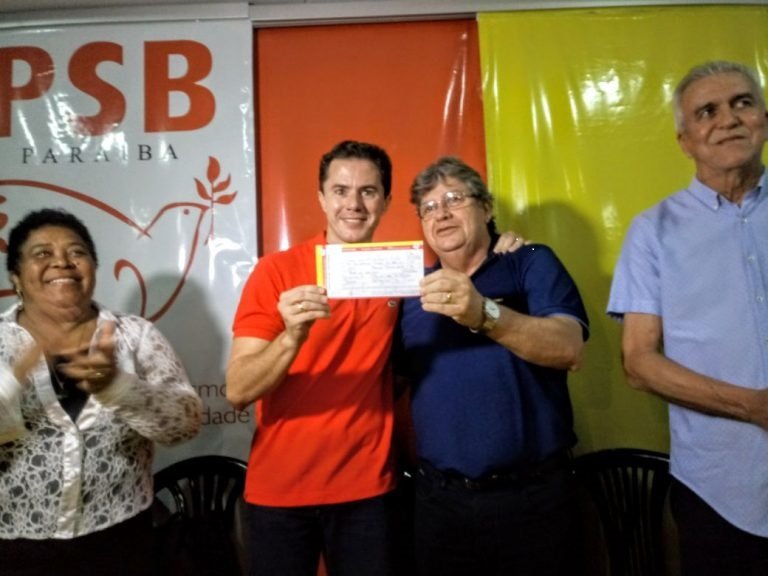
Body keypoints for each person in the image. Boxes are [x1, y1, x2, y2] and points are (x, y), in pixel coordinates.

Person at [608, 60, 768, 576]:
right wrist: (755, 407)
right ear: (685, 141)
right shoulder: (652, 232)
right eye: (707, 111)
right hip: (718, 491)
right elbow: (638, 362)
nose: (728, 119)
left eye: (742, 103)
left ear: (764, 118)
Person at [394, 156, 589, 576]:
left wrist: (484, 313)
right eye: (429, 207)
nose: (441, 213)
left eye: (454, 199)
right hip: (440, 504)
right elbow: (389, 383)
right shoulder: (413, 292)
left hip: (534, 500)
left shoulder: (529, 260)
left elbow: (569, 348)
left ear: (486, 208)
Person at [0, 208, 202, 575]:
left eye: (76, 252)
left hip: (122, 541)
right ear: (16, 276)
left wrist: (117, 387)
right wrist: (13, 380)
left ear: (93, 268)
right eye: (42, 253)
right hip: (14, 550)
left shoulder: (135, 335)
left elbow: (185, 424)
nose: (62, 261)